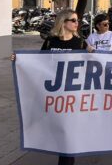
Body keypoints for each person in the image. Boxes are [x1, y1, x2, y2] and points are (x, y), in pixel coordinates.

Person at [12, 9, 92, 165]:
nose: (77, 24)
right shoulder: (51, 41)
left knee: (68, 135)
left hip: (71, 96)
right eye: (73, 20)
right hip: (53, 96)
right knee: (57, 131)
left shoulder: (80, 43)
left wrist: (93, 53)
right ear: (63, 22)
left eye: (78, 21)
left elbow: (90, 67)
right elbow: (39, 62)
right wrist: (20, 59)